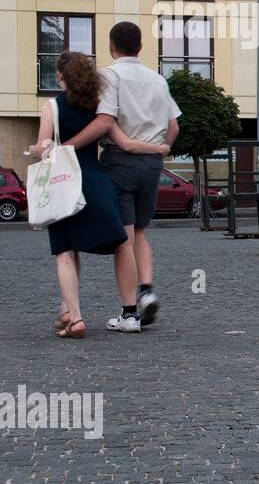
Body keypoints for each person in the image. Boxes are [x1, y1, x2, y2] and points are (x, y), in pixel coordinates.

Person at [27, 52, 170, 340]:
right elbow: (126, 143)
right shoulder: (98, 109)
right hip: (97, 183)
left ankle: (75, 318)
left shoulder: (52, 106)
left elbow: (44, 146)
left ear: (60, 77)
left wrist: (36, 149)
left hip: (64, 184)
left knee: (66, 252)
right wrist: (159, 149)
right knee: (122, 244)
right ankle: (125, 310)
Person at [61, 22, 181, 333]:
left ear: (112, 46)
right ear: (140, 46)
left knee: (123, 238)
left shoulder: (109, 76)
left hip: (121, 161)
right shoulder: (158, 80)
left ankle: (129, 314)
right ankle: (147, 290)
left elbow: (104, 121)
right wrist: (162, 147)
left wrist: (65, 147)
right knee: (140, 231)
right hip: (153, 164)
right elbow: (174, 127)